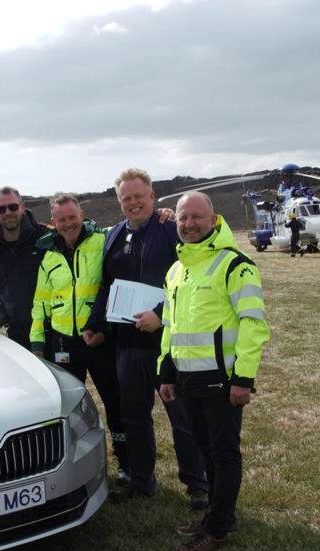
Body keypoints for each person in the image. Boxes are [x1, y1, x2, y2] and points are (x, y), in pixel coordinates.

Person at [89, 168, 209, 509]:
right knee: (133, 416)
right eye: (125, 198)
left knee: (181, 415)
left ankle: (197, 484)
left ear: (152, 197)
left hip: (167, 343)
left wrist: (161, 314)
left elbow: (188, 280)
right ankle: (141, 481)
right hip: (127, 344)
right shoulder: (113, 235)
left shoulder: (171, 229)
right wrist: (95, 324)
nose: (132, 202)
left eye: (138, 195)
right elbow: (106, 286)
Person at [158, 192, 270, 551]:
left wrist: (243, 379)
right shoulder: (177, 270)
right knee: (205, 450)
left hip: (222, 381)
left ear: (213, 219)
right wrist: (167, 374)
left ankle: (217, 530)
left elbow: (253, 324)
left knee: (224, 453)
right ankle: (223, 515)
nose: (188, 225)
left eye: (196, 217)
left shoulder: (236, 265)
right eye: (182, 218)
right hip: (189, 379)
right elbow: (170, 328)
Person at [30, 194, 129, 482]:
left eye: (72, 217)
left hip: (100, 339)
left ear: (82, 214)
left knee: (115, 401)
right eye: (61, 220)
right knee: (64, 407)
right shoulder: (48, 257)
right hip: (63, 344)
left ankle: (126, 462)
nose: (68, 223)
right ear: (53, 223)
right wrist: (38, 346)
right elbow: (40, 305)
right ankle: (63, 464)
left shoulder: (103, 242)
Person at [0, 186, 51, 350]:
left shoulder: (45, 238)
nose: (8, 212)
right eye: (1, 209)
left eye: (13, 207)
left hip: (52, 330)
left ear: (22, 207)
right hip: (18, 333)